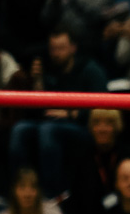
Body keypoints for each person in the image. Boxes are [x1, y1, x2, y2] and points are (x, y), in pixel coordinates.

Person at [9, 31, 108, 197]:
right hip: (50, 123)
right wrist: (37, 82)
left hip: (82, 127)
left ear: (73, 48)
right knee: (20, 129)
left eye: (61, 48)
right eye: (53, 49)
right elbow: (38, 110)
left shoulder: (90, 69)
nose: (56, 53)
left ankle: (52, 196)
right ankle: (19, 191)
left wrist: (70, 114)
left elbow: (103, 105)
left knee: (47, 130)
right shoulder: (49, 69)